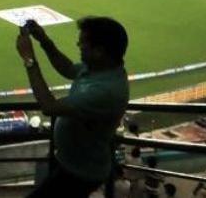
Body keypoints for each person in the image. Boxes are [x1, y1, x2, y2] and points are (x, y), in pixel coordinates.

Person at [15, 17, 130, 198]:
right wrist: (44, 40)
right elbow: (68, 68)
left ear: (99, 51)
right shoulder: (99, 69)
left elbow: (49, 106)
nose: (78, 45)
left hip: (80, 172)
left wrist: (29, 59)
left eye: (83, 42)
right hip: (71, 162)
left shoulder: (105, 91)